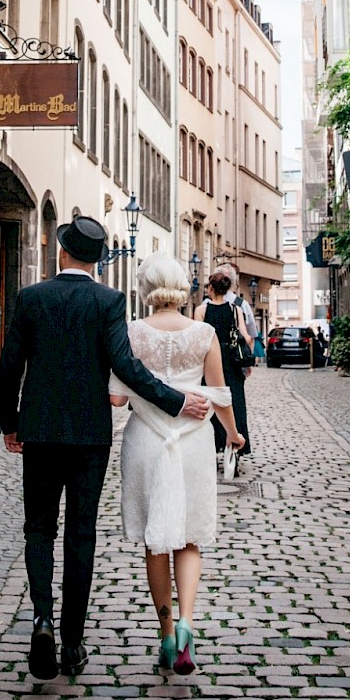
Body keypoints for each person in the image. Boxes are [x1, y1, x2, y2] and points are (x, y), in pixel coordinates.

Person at [0, 215, 210, 682]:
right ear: (97, 261)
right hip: (90, 437)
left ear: (62, 253)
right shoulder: (108, 302)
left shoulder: (31, 298)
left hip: (40, 432)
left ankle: (41, 620)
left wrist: (10, 423)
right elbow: (127, 368)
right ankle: (72, 644)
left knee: (38, 528)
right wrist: (177, 401)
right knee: (80, 536)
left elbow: (10, 363)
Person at [109, 253, 244, 675]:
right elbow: (220, 394)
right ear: (182, 287)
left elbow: (116, 398)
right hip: (192, 443)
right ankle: (187, 622)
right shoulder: (203, 332)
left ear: (146, 289)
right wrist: (235, 435)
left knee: (156, 541)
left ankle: (166, 636)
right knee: (189, 539)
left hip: (147, 439)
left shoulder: (131, 332)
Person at [195, 271, 252, 464]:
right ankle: (234, 442)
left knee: (210, 400)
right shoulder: (236, 310)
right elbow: (246, 337)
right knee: (234, 402)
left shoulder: (201, 311)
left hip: (209, 361)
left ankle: (210, 444)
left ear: (210, 288)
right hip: (231, 362)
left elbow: (197, 341)